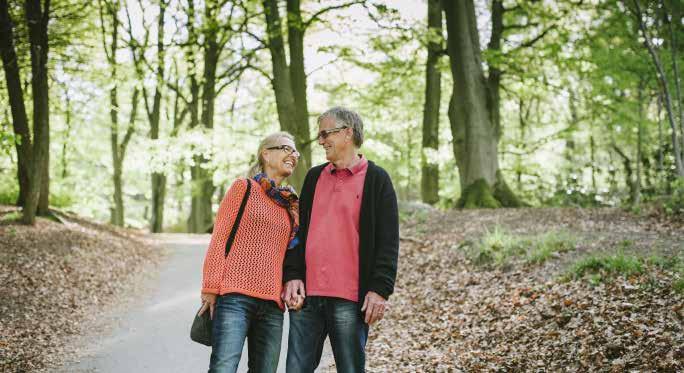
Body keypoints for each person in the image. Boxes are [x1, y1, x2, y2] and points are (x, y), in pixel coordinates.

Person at [282, 107, 400, 372]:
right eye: (320, 136)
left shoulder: (377, 180)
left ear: (348, 133)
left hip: (349, 298)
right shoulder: (314, 177)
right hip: (307, 298)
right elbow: (297, 233)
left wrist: (380, 289)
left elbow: (388, 242)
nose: (321, 141)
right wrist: (293, 274)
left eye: (326, 134)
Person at [199, 131, 301, 373]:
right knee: (223, 368)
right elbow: (220, 238)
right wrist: (210, 289)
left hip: (272, 305)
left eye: (295, 151)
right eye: (286, 149)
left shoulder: (290, 204)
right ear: (266, 154)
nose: (293, 155)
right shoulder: (243, 188)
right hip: (235, 298)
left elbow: (289, 255)